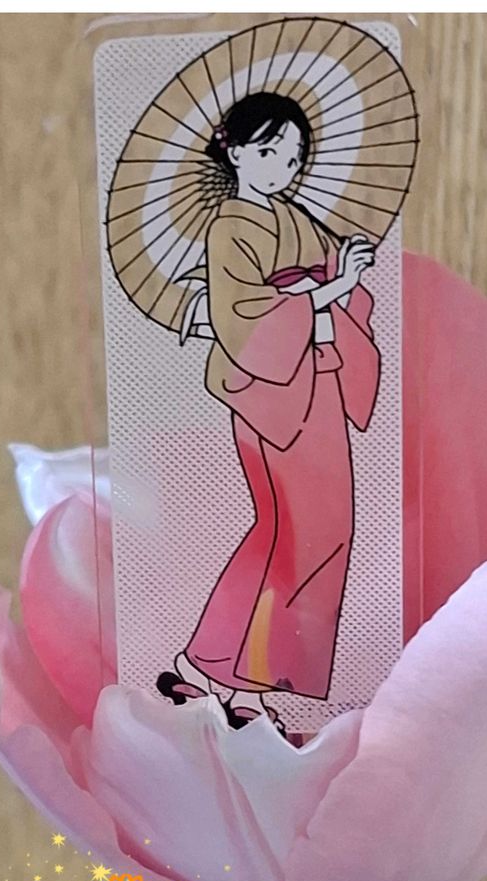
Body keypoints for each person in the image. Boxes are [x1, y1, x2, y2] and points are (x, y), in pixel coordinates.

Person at [156, 92, 380, 736]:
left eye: (294, 154)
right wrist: (331, 289)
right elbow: (243, 318)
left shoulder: (296, 218)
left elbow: (337, 292)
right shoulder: (229, 228)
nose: (284, 164)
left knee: (307, 530)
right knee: (297, 531)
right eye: (269, 150)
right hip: (271, 392)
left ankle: (206, 664)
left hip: (318, 379)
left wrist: (347, 275)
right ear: (233, 152)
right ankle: (249, 685)